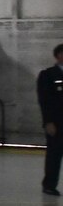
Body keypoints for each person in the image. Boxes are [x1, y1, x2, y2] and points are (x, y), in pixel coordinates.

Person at [42, 43, 63, 197]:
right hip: (57, 123)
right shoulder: (48, 75)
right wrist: (48, 122)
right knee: (54, 155)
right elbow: (44, 100)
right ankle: (49, 185)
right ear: (58, 56)